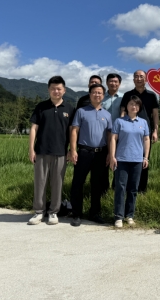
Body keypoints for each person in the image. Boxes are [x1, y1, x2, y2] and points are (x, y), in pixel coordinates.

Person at [28, 76, 74, 225]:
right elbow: (34, 128)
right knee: (40, 183)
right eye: (53, 88)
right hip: (41, 151)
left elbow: (72, 132)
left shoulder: (69, 109)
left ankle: (53, 212)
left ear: (64, 90)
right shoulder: (41, 107)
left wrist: (71, 150)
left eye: (59, 89)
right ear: (48, 90)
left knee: (57, 183)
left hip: (61, 152)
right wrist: (31, 149)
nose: (56, 91)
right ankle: (38, 212)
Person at [69, 83, 112, 227]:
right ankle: (76, 213)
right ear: (90, 94)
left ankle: (95, 213)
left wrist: (110, 153)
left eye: (100, 93)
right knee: (78, 183)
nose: (97, 95)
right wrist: (73, 150)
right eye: (94, 92)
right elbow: (74, 131)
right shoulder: (81, 111)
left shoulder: (107, 115)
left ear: (103, 96)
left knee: (97, 184)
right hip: (84, 152)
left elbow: (109, 135)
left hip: (101, 153)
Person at [110, 95, 150, 228]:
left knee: (133, 189)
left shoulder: (143, 122)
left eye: (136, 105)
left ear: (139, 107)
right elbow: (113, 139)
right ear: (126, 106)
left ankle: (130, 215)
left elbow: (146, 140)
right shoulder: (119, 121)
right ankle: (118, 216)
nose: (134, 106)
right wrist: (112, 156)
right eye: (131, 104)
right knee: (120, 188)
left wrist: (145, 157)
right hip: (121, 159)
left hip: (137, 160)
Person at [120, 70, 159, 193]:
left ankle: (142, 189)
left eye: (141, 76)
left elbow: (155, 114)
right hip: (128, 131)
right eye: (136, 76)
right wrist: (122, 127)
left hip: (145, 132)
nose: (138, 78)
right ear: (133, 80)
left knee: (144, 159)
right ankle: (124, 187)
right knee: (125, 158)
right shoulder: (127, 95)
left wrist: (155, 131)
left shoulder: (151, 95)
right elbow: (123, 112)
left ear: (146, 80)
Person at [102, 73, 123, 192]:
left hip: (119, 134)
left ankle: (116, 187)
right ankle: (103, 188)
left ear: (119, 84)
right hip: (103, 134)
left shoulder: (124, 97)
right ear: (107, 83)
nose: (113, 83)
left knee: (118, 160)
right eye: (111, 81)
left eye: (116, 81)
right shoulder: (101, 97)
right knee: (103, 161)